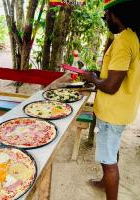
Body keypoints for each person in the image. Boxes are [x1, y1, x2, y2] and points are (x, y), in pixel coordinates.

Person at [82, 0, 140, 200]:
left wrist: (93, 79)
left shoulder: (124, 41)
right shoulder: (131, 36)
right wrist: (99, 74)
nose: (105, 20)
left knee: (109, 161)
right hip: (121, 109)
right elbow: (117, 74)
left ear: (114, 15)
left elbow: (112, 86)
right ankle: (104, 182)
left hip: (112, 112)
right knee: (110, 151)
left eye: (105, 16)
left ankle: (111, 193)